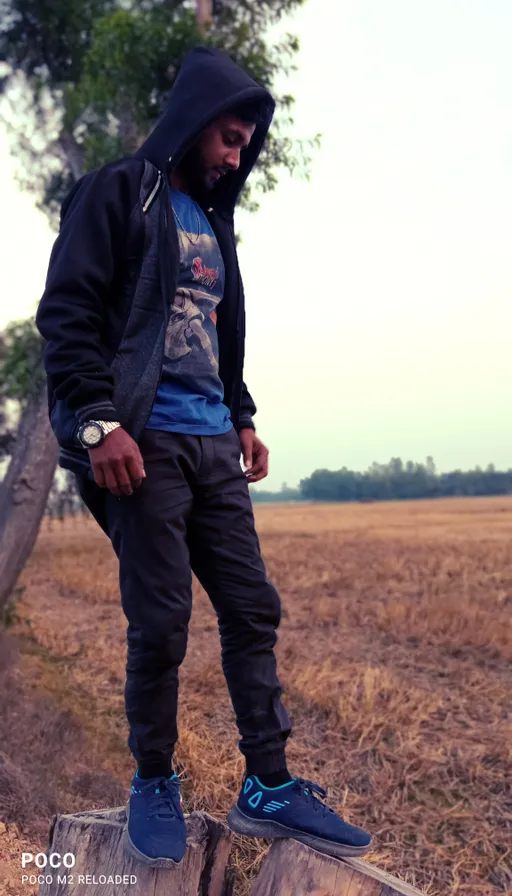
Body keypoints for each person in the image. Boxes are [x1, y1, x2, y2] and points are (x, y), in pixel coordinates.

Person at [35, 45, 372, 868]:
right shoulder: (118, 192)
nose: (234, 155)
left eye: (244, 144)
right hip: (142, 443)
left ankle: (268, 784)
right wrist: (96, 424)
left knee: (253, 607)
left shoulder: (216, 225)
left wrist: (243, 415)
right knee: (162, 621)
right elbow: (68, 315)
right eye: (226, 137)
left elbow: (216, 334)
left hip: (213, 441)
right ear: (190, 123)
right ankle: (155, 777)